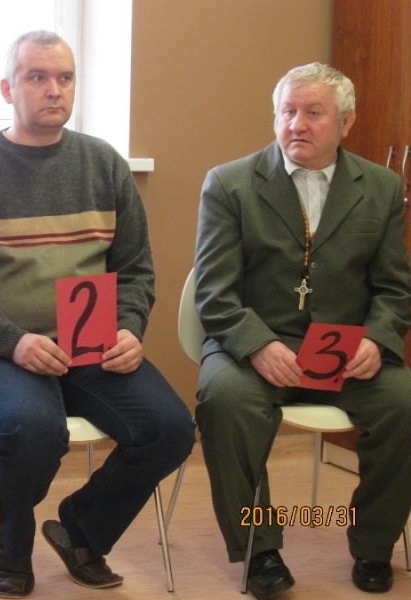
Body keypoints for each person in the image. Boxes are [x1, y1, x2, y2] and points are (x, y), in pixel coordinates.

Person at [0, 30, 195, 599]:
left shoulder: (104, 164)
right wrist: (14, 341)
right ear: (7, 89)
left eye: (64, 78)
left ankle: (80, 530)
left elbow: (135, 269)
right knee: (33, 427)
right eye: (37, 77)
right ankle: (13, 546)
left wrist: (129, 328)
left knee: (170, 429)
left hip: (90, 345)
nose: (54, 89)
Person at [193, 62, 411, 599]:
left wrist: (377, 338)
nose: (297, 124)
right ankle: (260, 550)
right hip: (254, 344)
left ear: (346, 122)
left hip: (346, 350)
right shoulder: (230, 183)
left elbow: (394, 288)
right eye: (287, 112)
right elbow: (214, 293)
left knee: (405, 404)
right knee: (224, 402)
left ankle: (374, 545)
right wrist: (257, 344)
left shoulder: (382, 187)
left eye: (314, 113)